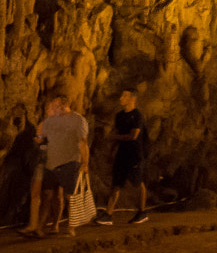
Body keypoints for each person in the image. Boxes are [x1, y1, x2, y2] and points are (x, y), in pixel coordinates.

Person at [24, 93, 89, 238]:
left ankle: (70, 227)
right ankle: (39, 227)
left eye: (55, 106)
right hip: (52, 162)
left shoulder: (78, 120)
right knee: (47, 193)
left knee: (69, 196)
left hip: (70, 161)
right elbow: (43, 141)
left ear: (63, 106)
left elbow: (82, 142)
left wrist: (85, 163)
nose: (52, 109)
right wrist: (39, 141)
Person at [99, 89, 150, 225]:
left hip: (135, 154)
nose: (121, 98)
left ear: (132, 98)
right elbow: (116, 134)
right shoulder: (119, 116)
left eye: (125, 96)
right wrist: (111, 152)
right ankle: (108, 214)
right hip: (122, 153)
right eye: (121, 95)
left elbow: (134, 135)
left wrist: (114, 137)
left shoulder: (137, 115)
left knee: (138, 182)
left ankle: (142, 212)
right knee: (116, 183)